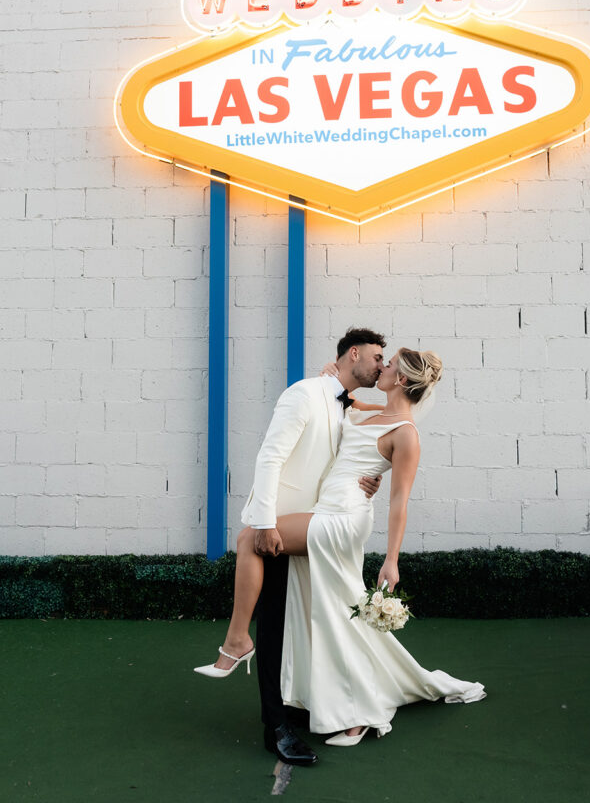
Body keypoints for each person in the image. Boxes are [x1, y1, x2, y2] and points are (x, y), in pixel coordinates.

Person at [195, 345, 486, 750]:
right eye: (380, 360)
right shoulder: (374, 412)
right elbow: (342, 407)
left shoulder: (406, 434)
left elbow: (400, 500)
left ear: (400, 380)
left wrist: (392, 560)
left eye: (388, 366)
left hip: (343, 518)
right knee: (334, 612)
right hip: (325, 508)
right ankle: (356, 703)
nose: (381, 368)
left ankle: (237, 641)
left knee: (250, 539)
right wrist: (330, 378)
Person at [194, 327, 387, 766]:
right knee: (275, 626)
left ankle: (295, 706)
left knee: (304, 623)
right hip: (280, 530)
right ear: (352, 354)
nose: (381, 364)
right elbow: (270, 456)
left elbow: (348, 458)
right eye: (377, 356)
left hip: (317, 527)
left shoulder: (348, 407)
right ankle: (275, 727)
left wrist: (365, 483)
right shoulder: (304, 393)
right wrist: (263, 523)